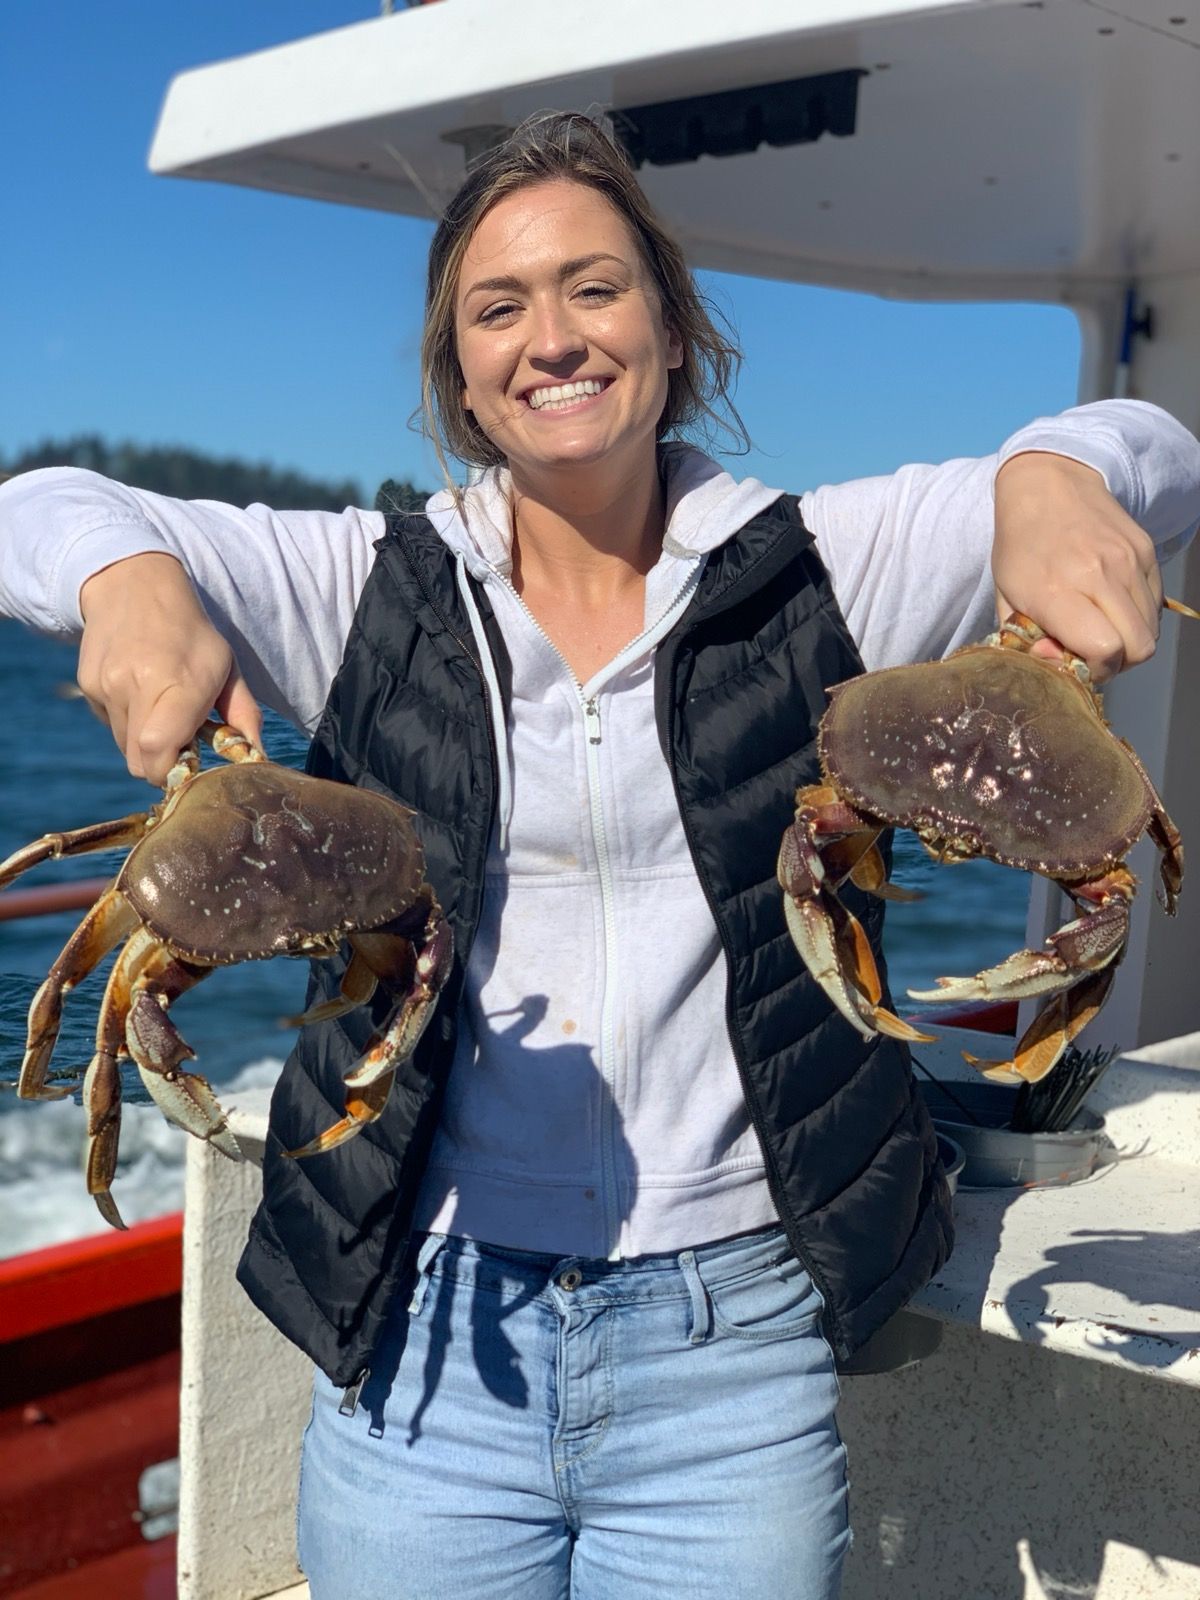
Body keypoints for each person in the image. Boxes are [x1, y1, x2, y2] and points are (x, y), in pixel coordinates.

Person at [2, 112, 1199, 1600]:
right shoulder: (365, 589)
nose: (551, 337)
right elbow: (38, 508)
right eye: (498, 308)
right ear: (460, 379)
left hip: (733, 1350)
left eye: (595, 287)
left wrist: (1050, 475)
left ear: (674, 331)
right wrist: (126, 583)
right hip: (430, 1341)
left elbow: (1162, 451)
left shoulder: (823, 560)